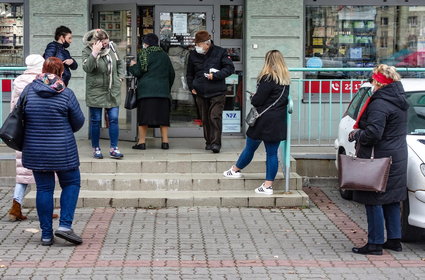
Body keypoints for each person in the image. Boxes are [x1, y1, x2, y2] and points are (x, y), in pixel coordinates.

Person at [21, 57, 85, 246]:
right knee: (72, 182)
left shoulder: (29, 90)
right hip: (62, 149)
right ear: (61, 72)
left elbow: (18, 115)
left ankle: (46, 234)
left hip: (35, 148)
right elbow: (79, 121)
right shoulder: (66, 93)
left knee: (44, 189)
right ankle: (65, 226)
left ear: (43, 69)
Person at [349, 64, 409, 255]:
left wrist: (357, 134)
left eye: (373, 81)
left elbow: (373, 134)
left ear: (378, 82)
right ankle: (394, 240)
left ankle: (374, 243)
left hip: (378, 159)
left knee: (373, 199)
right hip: (396, 156)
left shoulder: (380, 103)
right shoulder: (399, 99)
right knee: (391, 199)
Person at [223, 50, 290, 195]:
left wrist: (255, 97)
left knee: (250, 147)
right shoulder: (285, 80)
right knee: (272, 153)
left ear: (268, 61)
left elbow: (258, 100)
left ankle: (235, 170)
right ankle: (267, 186)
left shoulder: (268, 78)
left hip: (263, 120)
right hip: (278, 120)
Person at [7, 54, 60, 221]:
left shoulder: (17, 82)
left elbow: (13, 109)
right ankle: (46, 210)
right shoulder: (40, 82)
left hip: (22, 133)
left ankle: (16, 206)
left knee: (22, 173)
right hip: (39, 133)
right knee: (45, 175)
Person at [186, 30, 234, 153]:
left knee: (214, 116)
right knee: (205, 118)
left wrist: (216, 75)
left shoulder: (220, 52)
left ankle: (216, 143)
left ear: (206, 44)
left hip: (217, 91)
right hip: (200, 92)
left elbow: (229, 68)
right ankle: (208, 141)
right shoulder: (193, 55)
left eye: (198, 44)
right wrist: (192, 87)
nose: (196, 47)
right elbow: (189, 73)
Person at [82, 29, 125, 159]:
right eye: (103, 44)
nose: (106, 45)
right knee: (95, 120)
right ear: (96, 42)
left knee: (114, 119)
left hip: (112, 89)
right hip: (95, 90)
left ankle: (114, 148)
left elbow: (119, 63)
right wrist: (94, 53)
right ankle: (96, 148)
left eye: (107, 42)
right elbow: (87, 68)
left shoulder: (112, 46)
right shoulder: (87, 50)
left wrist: (120, 77)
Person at [129, 33, 175, 150]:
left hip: (146, 92)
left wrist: (132, 66)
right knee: (163, 118)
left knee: (144, 118)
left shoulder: (143, 54)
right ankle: (165, 142)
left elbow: (139, 72)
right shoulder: (164, 55)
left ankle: (142, 142)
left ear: (146, 43)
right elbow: (172, 74)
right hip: (162, 92)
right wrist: (166, 88)